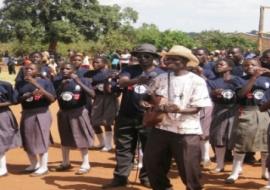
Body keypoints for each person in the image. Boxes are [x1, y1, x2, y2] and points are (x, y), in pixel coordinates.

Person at [143, 45, 212, 190]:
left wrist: (179, 109)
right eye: (168, 58)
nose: (169, 61)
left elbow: (197, 108)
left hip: (186, 131)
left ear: (185, 61)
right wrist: (146, 103)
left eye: (175, 59)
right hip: (160, 127)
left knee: (189, 170)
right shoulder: (160, 78)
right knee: (152, 164)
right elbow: (148, 96)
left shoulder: (197, 81)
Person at [102, 43, 164, 189]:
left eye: (147, 56)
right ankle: (121, 177)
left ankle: (147, 177)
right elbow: (122, 83)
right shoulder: (129, 69)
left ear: (154, 57)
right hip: (126, 115)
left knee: (150, 149)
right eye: (139, 56)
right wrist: (137, 80)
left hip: (150, 117)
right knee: (123, 148)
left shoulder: (162, 74)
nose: (142, 58)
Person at [225, 58, 270, 183]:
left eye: (253, 65)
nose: (249, 67)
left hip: (265, 112)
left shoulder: (267, 79)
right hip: (246, 112)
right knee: (242, 142)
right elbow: (241, 94)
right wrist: (254, 78)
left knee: (265, 144)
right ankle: (234, 172)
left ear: (260, 66)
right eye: (246, 65)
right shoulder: (239, 79)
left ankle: (264, 172)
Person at [53, 63, 95, 175]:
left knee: (81, 137)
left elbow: (92, 94)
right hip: (63, 112)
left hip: (78, 112)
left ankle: (86, 164)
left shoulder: (83, 80)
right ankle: (66, 162)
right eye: (62, 68)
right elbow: (53, 97)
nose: (64, 70)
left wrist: (78, 81)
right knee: (64, 138)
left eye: (67, 68)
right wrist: (61, 86)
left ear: (74, 70)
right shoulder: (58, 81)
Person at [16, 63, 56, 176]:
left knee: (41, 139)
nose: (27, 70)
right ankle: (34, 164)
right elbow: (16, 99)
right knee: (27, 139)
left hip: (41, 112)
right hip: (27, 113)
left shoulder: (45, 82)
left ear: (37, 70)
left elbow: (52, 98)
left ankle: (44, 167)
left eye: (31, 68)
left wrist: (35, 83)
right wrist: (29, 95)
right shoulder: (20, 84)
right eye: (26, 69)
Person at [208, 59, 240, 173]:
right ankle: (219, 165)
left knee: (235, 138)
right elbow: (208, 94)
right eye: (217, 64)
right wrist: (213, 93)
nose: (218, 66)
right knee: (219, 137)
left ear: (230, 67)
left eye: (221, 64)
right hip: (219, 109)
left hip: (235, 110)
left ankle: (237, 168)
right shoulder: (212, 81)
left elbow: (242, 94)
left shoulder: (237, 80)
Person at [84, 56, 119, 151]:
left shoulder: (111, 72)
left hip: (109, 98)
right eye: (94, 62)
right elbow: (88, 85)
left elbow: (116, 86)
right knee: (94, 121)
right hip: (97, 98)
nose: (94, 64)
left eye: (97, 62)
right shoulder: (89, 73)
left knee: (106, 122)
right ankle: (101, 142)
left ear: (104, 63)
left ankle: (108, 145)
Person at [0, 80, 21, 176]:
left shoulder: (5, 85)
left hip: (2, 115)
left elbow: (13, 101)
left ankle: (2, 168)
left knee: (1, 140)